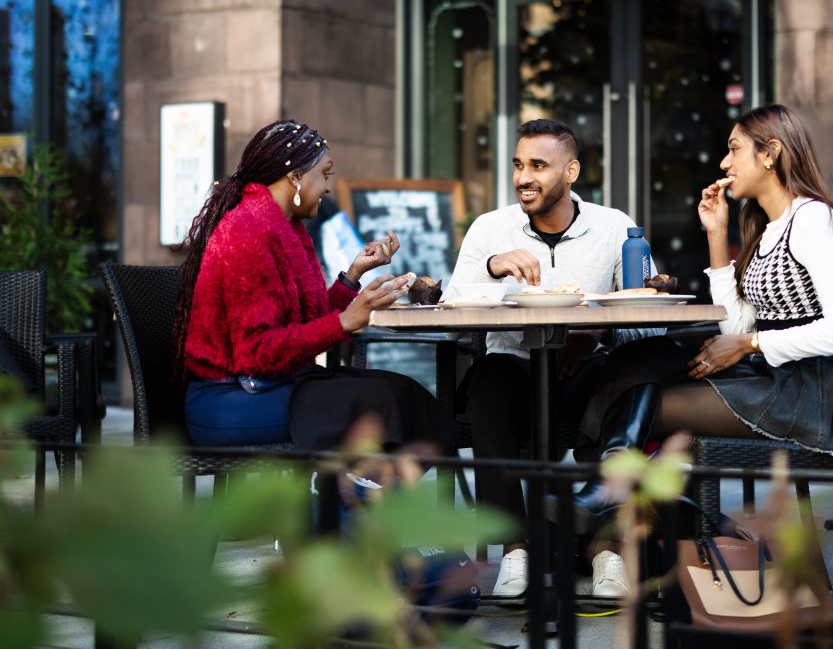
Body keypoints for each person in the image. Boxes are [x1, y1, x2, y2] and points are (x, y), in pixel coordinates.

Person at [567, 103, 833, 527]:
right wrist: (716, 234)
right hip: (773, 378)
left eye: (734, 149)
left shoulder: (814, 220)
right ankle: (643, 514)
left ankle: (643, 511)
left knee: (635, 398)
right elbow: (735, 326)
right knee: (636, 362)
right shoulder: (768, 226)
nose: (724, 162)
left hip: (812, 395)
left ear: (770, 154)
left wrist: (750, 344)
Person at [447, 118, 661, 598]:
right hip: (516, 374)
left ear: (571, 172)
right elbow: (452, 302)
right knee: (490, 381)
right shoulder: (491, 229)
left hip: (583, 374)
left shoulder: (615, 227)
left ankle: (606, 551)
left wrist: (597, 329)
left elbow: (649, 319)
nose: (524, 177)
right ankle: (514, 551)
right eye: (519, 165)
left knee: (620, 384)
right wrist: (491, 265)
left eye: (539, 166)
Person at [171, 119, 438, 450]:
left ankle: (351, 497)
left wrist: (352, 276)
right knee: (379, 404)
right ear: (295, 177)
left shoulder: (285, 227)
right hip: (228, 401)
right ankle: (341, 499)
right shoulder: (247, 231)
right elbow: (256, 352)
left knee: (406, 392)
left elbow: (306, 324)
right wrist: (345, 321)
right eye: (325, 173)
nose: (328, 187)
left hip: (269, 385)